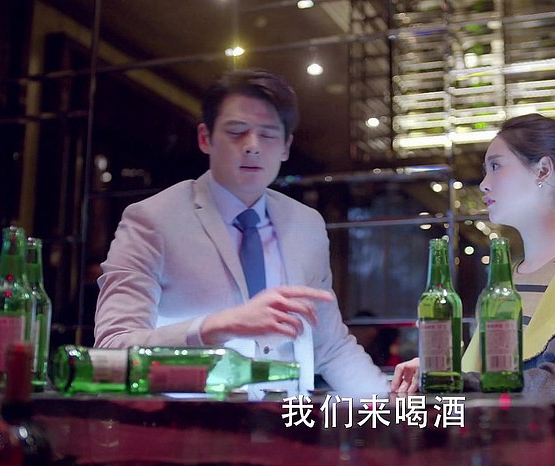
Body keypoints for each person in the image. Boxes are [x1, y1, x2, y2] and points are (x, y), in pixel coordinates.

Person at [94, 69, 389, 398]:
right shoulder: (153, 219)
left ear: (286, 147)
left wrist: (392, 405)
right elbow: (113, 349)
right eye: (236, 132)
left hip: (291, 422)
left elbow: (329, 347)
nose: (252, 146)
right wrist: (215, 326)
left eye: (268, 135)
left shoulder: (307, 225)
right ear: (205, 138)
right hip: (191, 422)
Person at [391, 113, 555, 394]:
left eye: (496, 166)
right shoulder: (509, 276)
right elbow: (495, 374)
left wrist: (460, 381)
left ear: (543, 170)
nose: (484, 183)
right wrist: (440, 372)